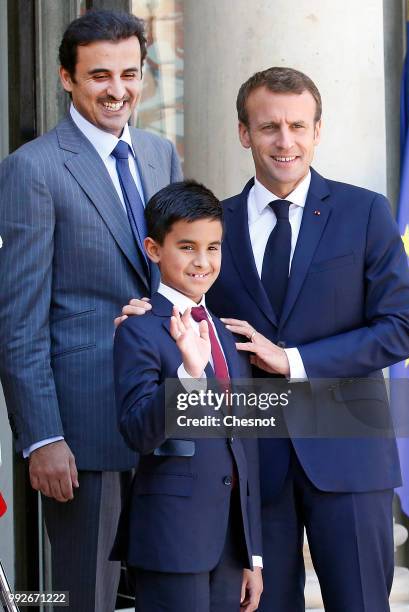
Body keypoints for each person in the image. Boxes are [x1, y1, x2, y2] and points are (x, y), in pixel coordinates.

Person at [117, 67, 409, 611]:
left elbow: (402, 327)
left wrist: (293, 359)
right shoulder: (215, 226)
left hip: (349, 451)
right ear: (243, 133)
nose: (285, 141)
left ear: (317, 132)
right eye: (269, 127)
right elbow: (190, 310)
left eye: (298, 126)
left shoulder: (364, 211)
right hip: (250, 464)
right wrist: (150, 311)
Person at [0, 9, 181, 612]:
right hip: (81, 428)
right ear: (66, 79)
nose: (118, 90)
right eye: (99, 75)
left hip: (164, 415)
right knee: (86, 598)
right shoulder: (34, 168)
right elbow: (19, 319)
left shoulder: (160, 154)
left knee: (168, 587)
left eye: (129, 74)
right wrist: (42, 436)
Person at [112, 180, 263, 612]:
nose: (202, 261)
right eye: (187, 247)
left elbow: (243, 445)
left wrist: (252, 554)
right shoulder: (139, 329)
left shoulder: (227, 334)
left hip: (228, 545)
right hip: (170, 538)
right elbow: (138, 432)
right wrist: (189, 375)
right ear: (154, 249)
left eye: (213, 248)